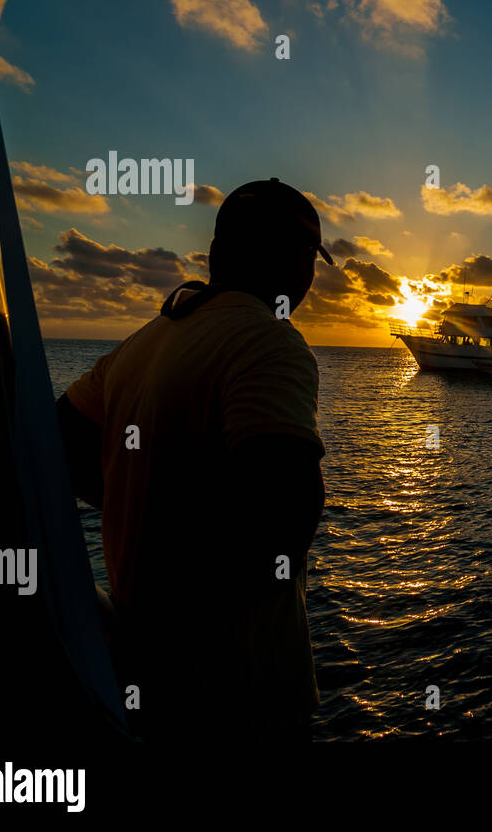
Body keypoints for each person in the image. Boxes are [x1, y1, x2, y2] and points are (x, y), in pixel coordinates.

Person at [56, 178, 332, 740]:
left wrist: (148, 499)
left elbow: (60, 442)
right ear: (299, 260)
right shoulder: (269, 343)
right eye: (310, 261)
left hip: (148, 679)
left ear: (217, 252)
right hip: (240, 697)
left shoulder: (141, 343)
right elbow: (281, 519)